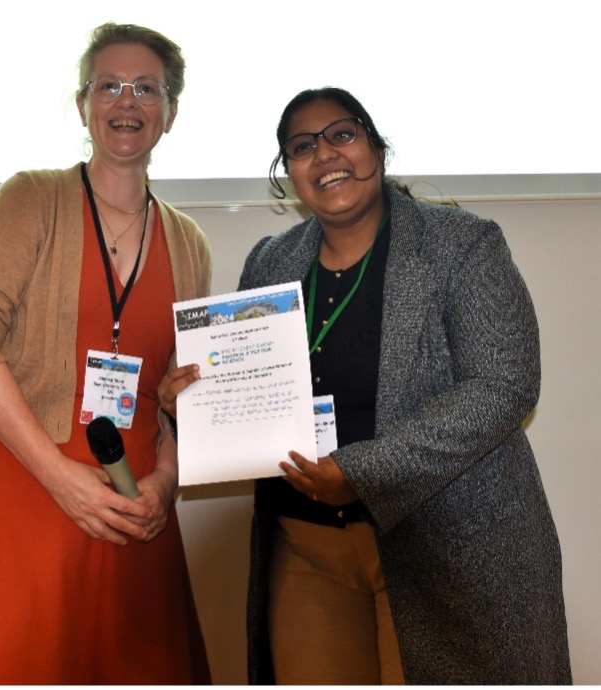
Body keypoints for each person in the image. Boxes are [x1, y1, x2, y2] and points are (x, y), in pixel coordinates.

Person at [160, 87, 572, 684]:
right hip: (305, 548)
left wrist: (363, 472)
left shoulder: (462, 244)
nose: (325, 154)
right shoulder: (269, 261)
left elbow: (504, 384)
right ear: (289, 174)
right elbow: (252, 401)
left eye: (342, 134)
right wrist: (192, 408)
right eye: (302, 147)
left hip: (441, 542)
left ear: (376, 147)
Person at [0, 22, 211, 685]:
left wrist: (165, 482)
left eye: (146, 88)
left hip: (134, 506)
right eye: (109, 86)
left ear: (170, 111)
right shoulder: (30, 198)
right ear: (83, 105)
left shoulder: (189, 241)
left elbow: (179, 389)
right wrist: (59, 476)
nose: (127, 102)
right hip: (22, 488)